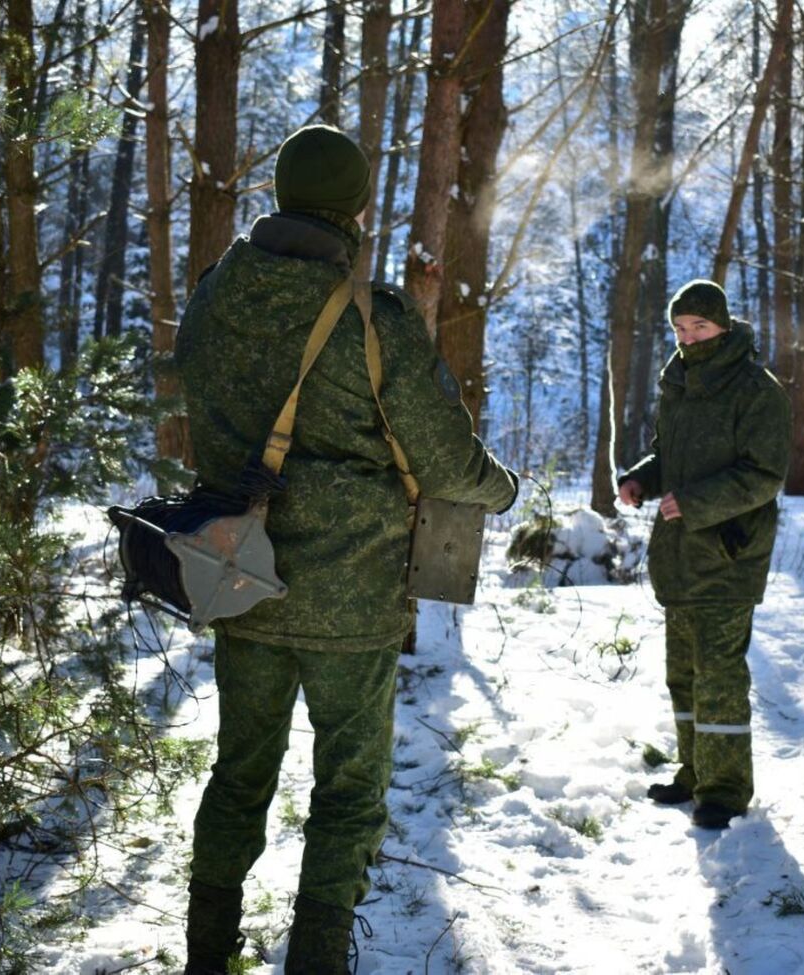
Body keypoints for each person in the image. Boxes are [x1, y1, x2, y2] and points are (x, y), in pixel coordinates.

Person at [174, 125, 518, 975]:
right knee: (349, 790)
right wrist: (500, 488)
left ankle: (206, 955)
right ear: (357, 207)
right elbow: (444, 460)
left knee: (238, 775)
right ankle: (318, 959)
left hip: (239, 575)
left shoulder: (215, 294)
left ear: (283, 195)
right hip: (352, 601)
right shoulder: (372, 318)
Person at [618, 278, 790, 830]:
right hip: (680, 558)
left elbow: (764, 476)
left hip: (729, 555)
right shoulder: (680, 382)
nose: (689, 338)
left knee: (718, 678)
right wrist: (643, 480)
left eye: (700, 327)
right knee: (684, 677)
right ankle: (695, 773)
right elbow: (669, 454)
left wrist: (692, 504)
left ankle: (726, 789)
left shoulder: (756, 390)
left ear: (724, 325)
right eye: (680, 328)